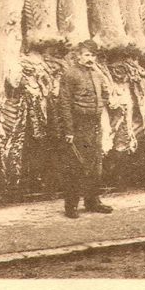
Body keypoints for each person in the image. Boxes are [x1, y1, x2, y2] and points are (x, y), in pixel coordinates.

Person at [55, 40, 112, 219]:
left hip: (94, 124)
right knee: (77, 165)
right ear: (78, 56)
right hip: (79, 125)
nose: (90, 58)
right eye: (87, 55)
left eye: (93, 55)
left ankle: (92, 201)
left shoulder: (97, 74)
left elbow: (104, 95)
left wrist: (100, 106)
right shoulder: (70, 75)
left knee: (96, 165)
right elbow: (63, 104)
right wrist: (69, 130)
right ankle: (71, 206)